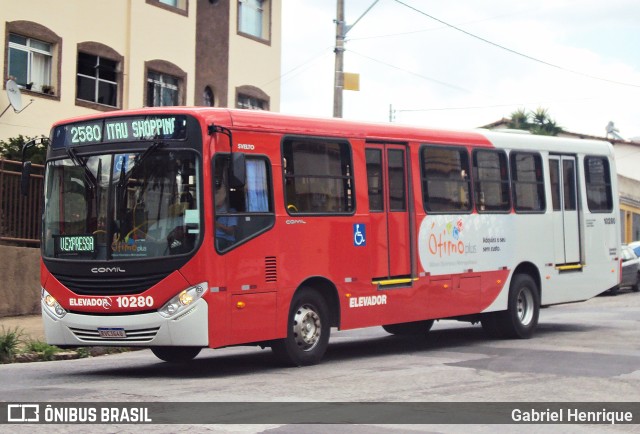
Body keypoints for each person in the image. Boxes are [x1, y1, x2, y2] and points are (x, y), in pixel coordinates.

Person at [215, 179, 237, 250]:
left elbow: (231, 231)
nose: (215, 197)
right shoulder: (210, 210)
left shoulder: (231, 211)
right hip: (211, 238)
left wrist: (217, 225)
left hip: (225, 240)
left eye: (217, 194)